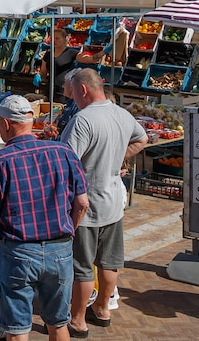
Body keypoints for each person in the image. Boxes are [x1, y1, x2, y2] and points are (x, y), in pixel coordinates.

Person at [0, 95, 89, 341]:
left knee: (17, 329)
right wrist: (68, 232)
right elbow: (83, 203)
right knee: (58, 323)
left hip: (18, 251)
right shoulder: (63, 152)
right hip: (60, 248)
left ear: (5, 123)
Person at [60, 69, 148, 336]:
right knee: (110, 262)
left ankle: (77, 319)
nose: (73, 98)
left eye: (74, 93)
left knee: (82, 266)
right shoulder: (122, 113)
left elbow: (67, 161)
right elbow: (143, 139)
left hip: (86, 203)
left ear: (83, 90)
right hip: (113, 202)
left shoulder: (83, 120)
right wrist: (119, 157)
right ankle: (102, 308)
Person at [34, 25, 79, 92]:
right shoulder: (48, 54)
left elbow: (86, 59)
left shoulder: (71, 53)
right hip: (50, 90)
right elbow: (43, 72)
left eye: (57, 38)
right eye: (52, 39)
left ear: (64, 39)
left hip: (64, 91)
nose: (54, 41)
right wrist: (39, 75)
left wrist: (97, 55)